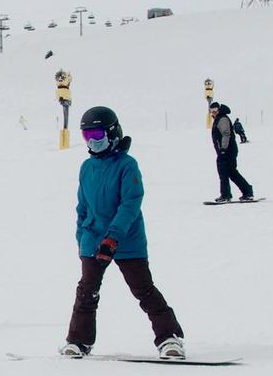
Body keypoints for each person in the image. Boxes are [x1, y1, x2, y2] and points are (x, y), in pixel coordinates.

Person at [60, 106, 185, 360]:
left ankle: (169, 338)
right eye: (87, 136)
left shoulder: (127, 166)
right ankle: (78, 341)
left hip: (127, 240)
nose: (93, 141)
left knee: (143, 289)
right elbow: (82, 206)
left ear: (113, 132)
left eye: (97, 134)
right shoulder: (86, 168)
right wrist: (81, 237)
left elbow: (130, 203)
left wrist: (113, 236)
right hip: (93, 239)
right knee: (87, 291)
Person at [208, 102, 254, 203]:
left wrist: (223, 149)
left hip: (227, 151)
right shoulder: (219, 119)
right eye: (211, 111)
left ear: (219, 109)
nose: (213, 112)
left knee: (224, 172)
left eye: (215, 110)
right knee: (232, 172)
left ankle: (226, 195)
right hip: (227, 150)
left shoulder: (222, 118)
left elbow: (226, 134)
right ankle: (247, 191)